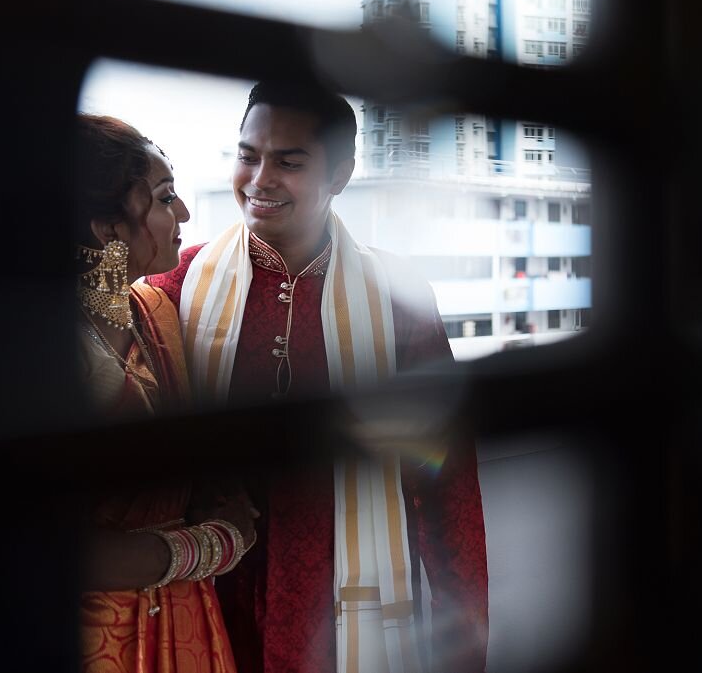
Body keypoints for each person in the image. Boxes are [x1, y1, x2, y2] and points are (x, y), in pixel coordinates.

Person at [150, 83, 488, 673]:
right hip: (213, 598)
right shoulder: (176, 289)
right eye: (248, 155)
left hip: (340, 607)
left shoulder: (397, 300)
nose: (259, 179)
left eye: (289, 161)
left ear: (341, 174)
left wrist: (465, 637)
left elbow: (445, 478)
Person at [74, 114, 257, 673]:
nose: (182, 213)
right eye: (164, 198)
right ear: (107, 229)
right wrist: (216, 544)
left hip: (183, 626)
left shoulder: (154, 309)